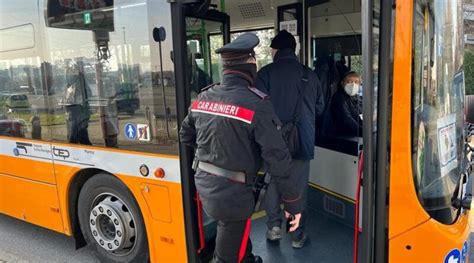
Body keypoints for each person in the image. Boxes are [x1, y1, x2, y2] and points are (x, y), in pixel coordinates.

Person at [180, 33, 303, 263]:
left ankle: (246, 257)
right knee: (226, 255)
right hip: (235, 196)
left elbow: (185, 135)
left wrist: (215, 156)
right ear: (250, 64)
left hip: (206, 186)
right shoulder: (257, 103)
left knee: (235, 236)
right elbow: (277, 158)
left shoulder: (202, 98)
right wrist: (293, 203)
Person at [256, 30, 324, 248]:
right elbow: (320, 108)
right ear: (294, 50)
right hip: (301, 141)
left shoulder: (264, 74)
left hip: (273, 142)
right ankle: (297, 236)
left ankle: (274, 228)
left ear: (275, 50)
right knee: (298, 188)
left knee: (273, 184)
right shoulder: (310, 75)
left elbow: (257, 110)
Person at [63, 62, 92, 145]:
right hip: (70, 115)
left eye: (69, 72)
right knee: (82, 137)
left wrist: (78, 99)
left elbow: (88, 94)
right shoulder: (68, 86)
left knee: (73, 139)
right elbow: (65, 98)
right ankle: (89, 153)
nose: (67, 74)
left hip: (78, 115)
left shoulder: (80, 84)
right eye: (66, 72)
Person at [330, 71, 363, 137]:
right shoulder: (339, 98)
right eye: (349, 81)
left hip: (355, 133)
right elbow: (347, 120)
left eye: (356, 82)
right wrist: (363, 131)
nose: (353, 85)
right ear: (342, 83)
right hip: (345, 136)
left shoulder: (357, 98)